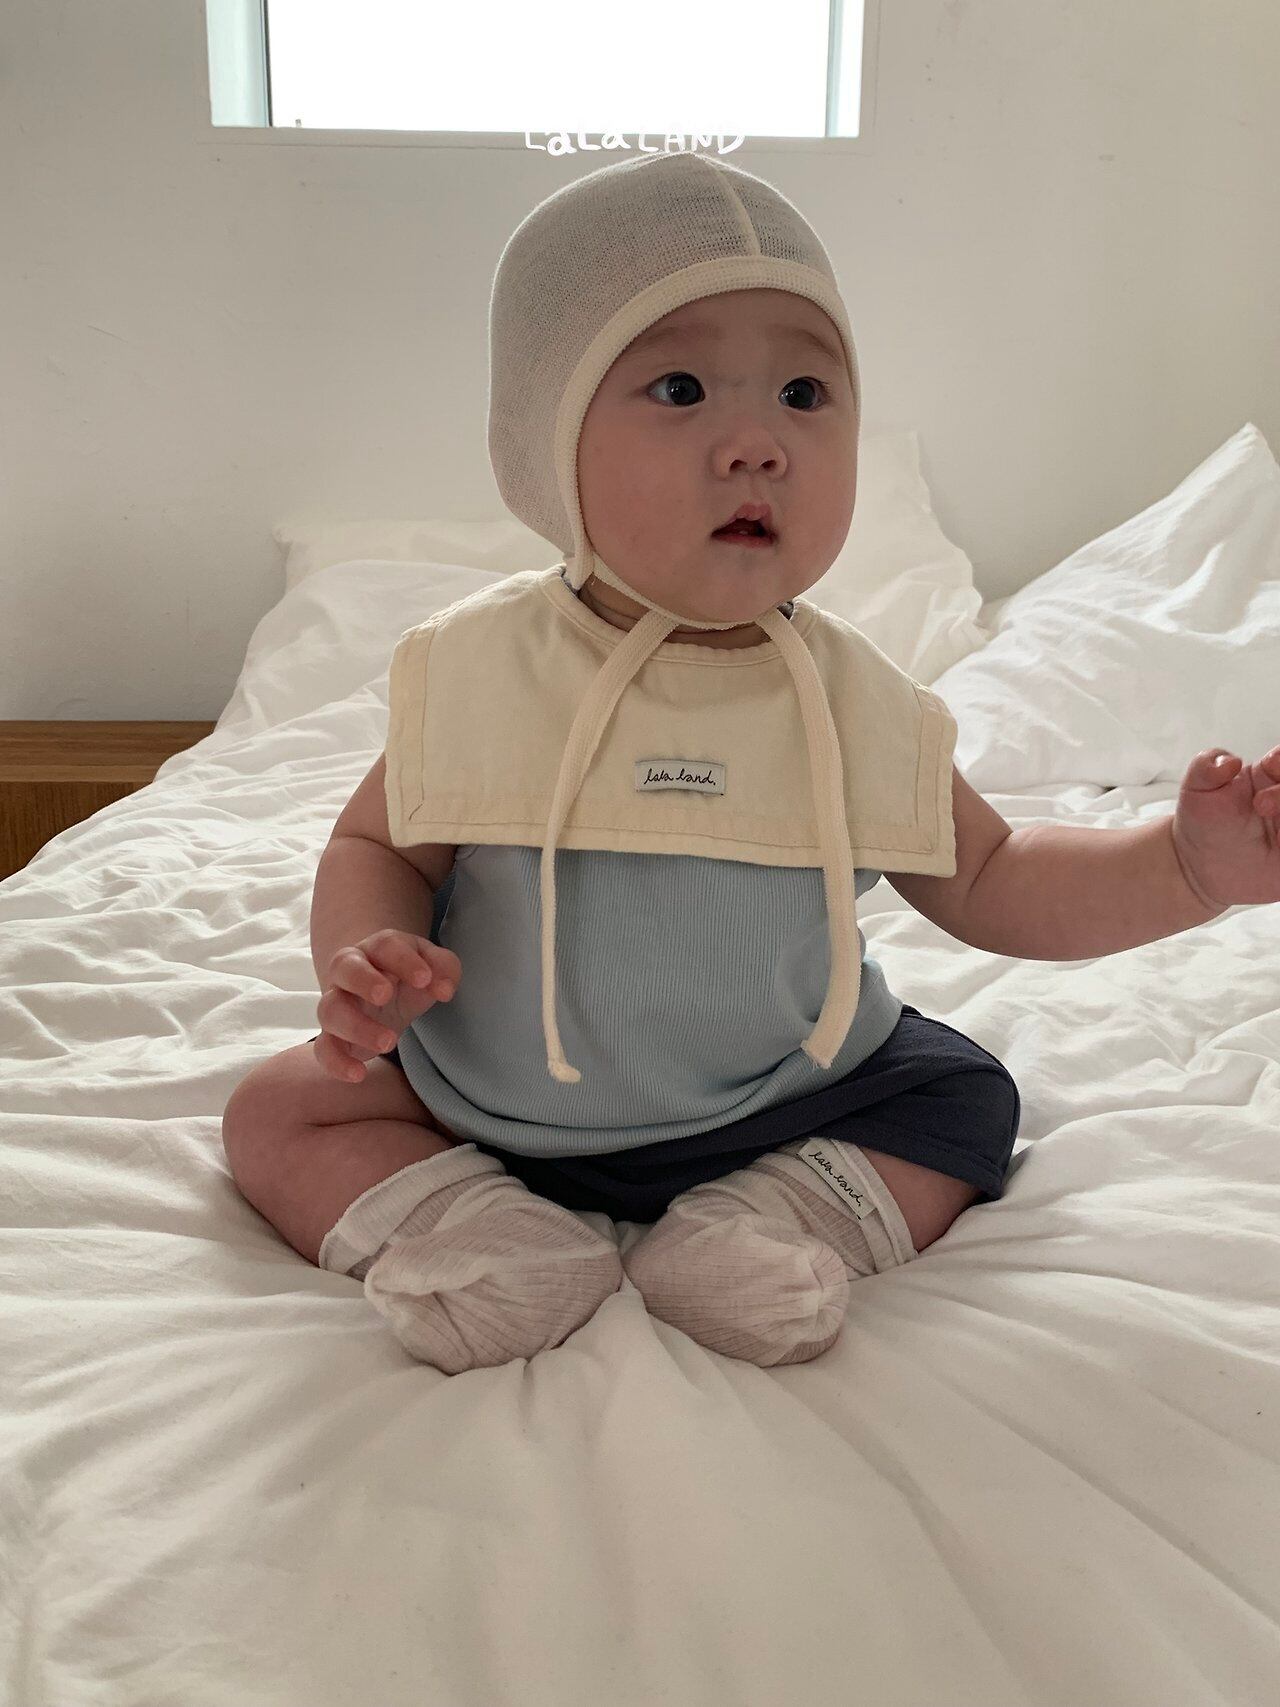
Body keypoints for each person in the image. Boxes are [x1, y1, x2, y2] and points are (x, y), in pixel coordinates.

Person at [222, 152, 1278, 1375]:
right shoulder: (481, 668)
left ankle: (770, 1221)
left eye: (803, 393)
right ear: (545, 444)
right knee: (279, 1110)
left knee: (965, 1097)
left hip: (782, 1104)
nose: (756, 444)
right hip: (486, 1106)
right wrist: (367, 955)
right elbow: (378, 846)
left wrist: (1182, 867)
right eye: (678, 387)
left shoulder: (853, 700)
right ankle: (480, 1233)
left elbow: (996, 878)